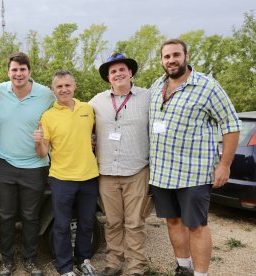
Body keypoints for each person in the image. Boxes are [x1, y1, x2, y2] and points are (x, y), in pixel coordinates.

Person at [149, 39, 241, 276]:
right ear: (161, 60)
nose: (171, 60)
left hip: (193, 173)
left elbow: (231, 125)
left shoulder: (207, 86)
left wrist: (225, 165)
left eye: (176, 55)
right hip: (162, 173)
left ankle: (201, 274)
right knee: (173, 221)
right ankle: (184, 268)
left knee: (197, 226)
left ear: (186, 55)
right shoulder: (156, 86)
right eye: (166, 56)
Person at [0, 52, 55, 276]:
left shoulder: (45, 94)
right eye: (14, 70)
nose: (18, 74)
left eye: (22, 69)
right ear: (8, 72)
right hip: (3, 163)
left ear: (29, 72)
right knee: (5, 216)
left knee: (30, 216)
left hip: (35, 165)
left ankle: (30, 260)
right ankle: (7, 261)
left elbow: (64, 110)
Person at [89, 53, 151, 276]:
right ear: (108, 77)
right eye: (113, 72)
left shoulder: (148, 97)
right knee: (113, 222)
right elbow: (79, 120)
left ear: (131, 72)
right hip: (106, 172)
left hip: (136, 170)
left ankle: (136, 267)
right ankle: (113, 263)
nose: (118, 74)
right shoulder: (96, 101)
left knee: (135, 224)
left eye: (122, 69)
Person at [34, 70, 99, 276]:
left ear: (74, 86)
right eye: (59, 86)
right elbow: (43, 152)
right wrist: (38, 142)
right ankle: (65, 268)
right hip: (62, 178)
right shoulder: (48, 116)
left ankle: (83, 260)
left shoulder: (87, 109)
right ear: (53, 90)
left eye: (67, 85)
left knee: (87, 222)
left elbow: (95, 135)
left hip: (89, 176)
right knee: (61, 225)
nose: (64, 89)